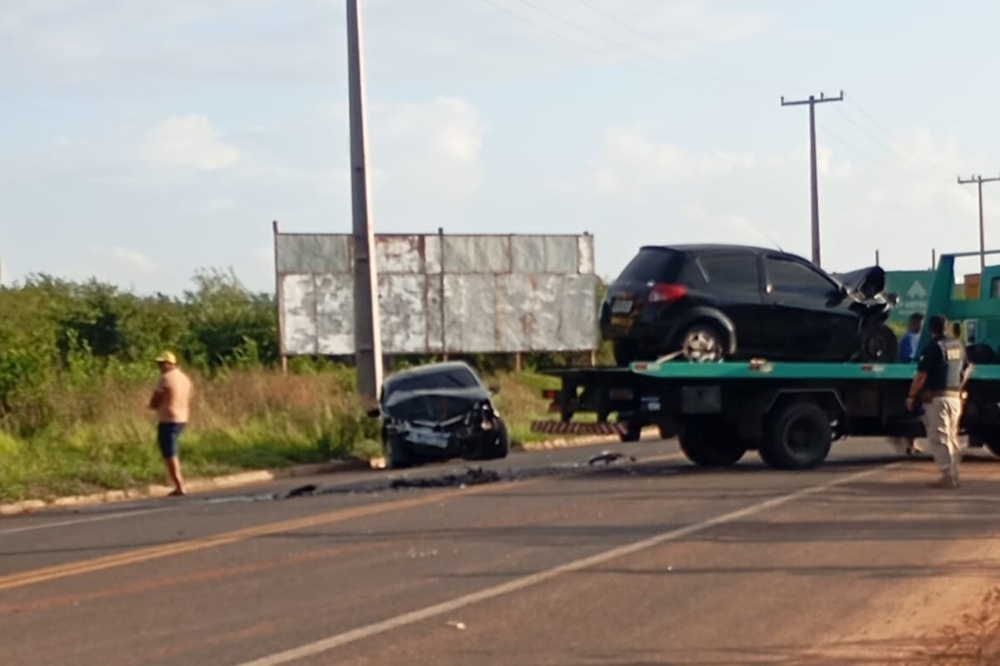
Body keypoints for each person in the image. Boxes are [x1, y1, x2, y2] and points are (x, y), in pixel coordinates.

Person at [905, 315, 972, 488]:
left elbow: (921, 376)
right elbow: (968, 368)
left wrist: (911, 396)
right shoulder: (958, 345)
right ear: (947, 327)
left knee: (939, 437)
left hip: (937, 399)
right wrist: (959, 384)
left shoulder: (934, 348)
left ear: (931, 330)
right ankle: (954, 473)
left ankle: (947, 476)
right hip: (955, 398)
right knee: (951, 436)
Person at [148, 351, 193, 496]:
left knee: (169, 451)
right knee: (171, 448)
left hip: (169, 419)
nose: (160, 366)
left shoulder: (165, 379)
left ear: (171, 364)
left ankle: (179, 484)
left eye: (162, 363)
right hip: (182, 417)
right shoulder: (185, 379)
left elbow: (156, 399)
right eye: (159, 363)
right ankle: (178, 483)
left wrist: (153, 406)